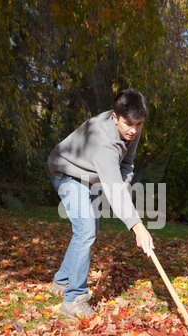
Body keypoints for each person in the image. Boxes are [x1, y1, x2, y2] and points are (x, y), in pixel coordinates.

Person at [48, 89, 154, 319]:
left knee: (89, 230)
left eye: (139, 124)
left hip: (90, 177)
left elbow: (127, 163)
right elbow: (113, 188)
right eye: (128, 124)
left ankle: (62, 280)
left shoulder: (131, 130)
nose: (134, 130)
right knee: (85, 229)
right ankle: (74, 299)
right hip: (67, 172)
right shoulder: (103, 141)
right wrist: (138, 226)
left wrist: (122, 185)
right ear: (115, 117)